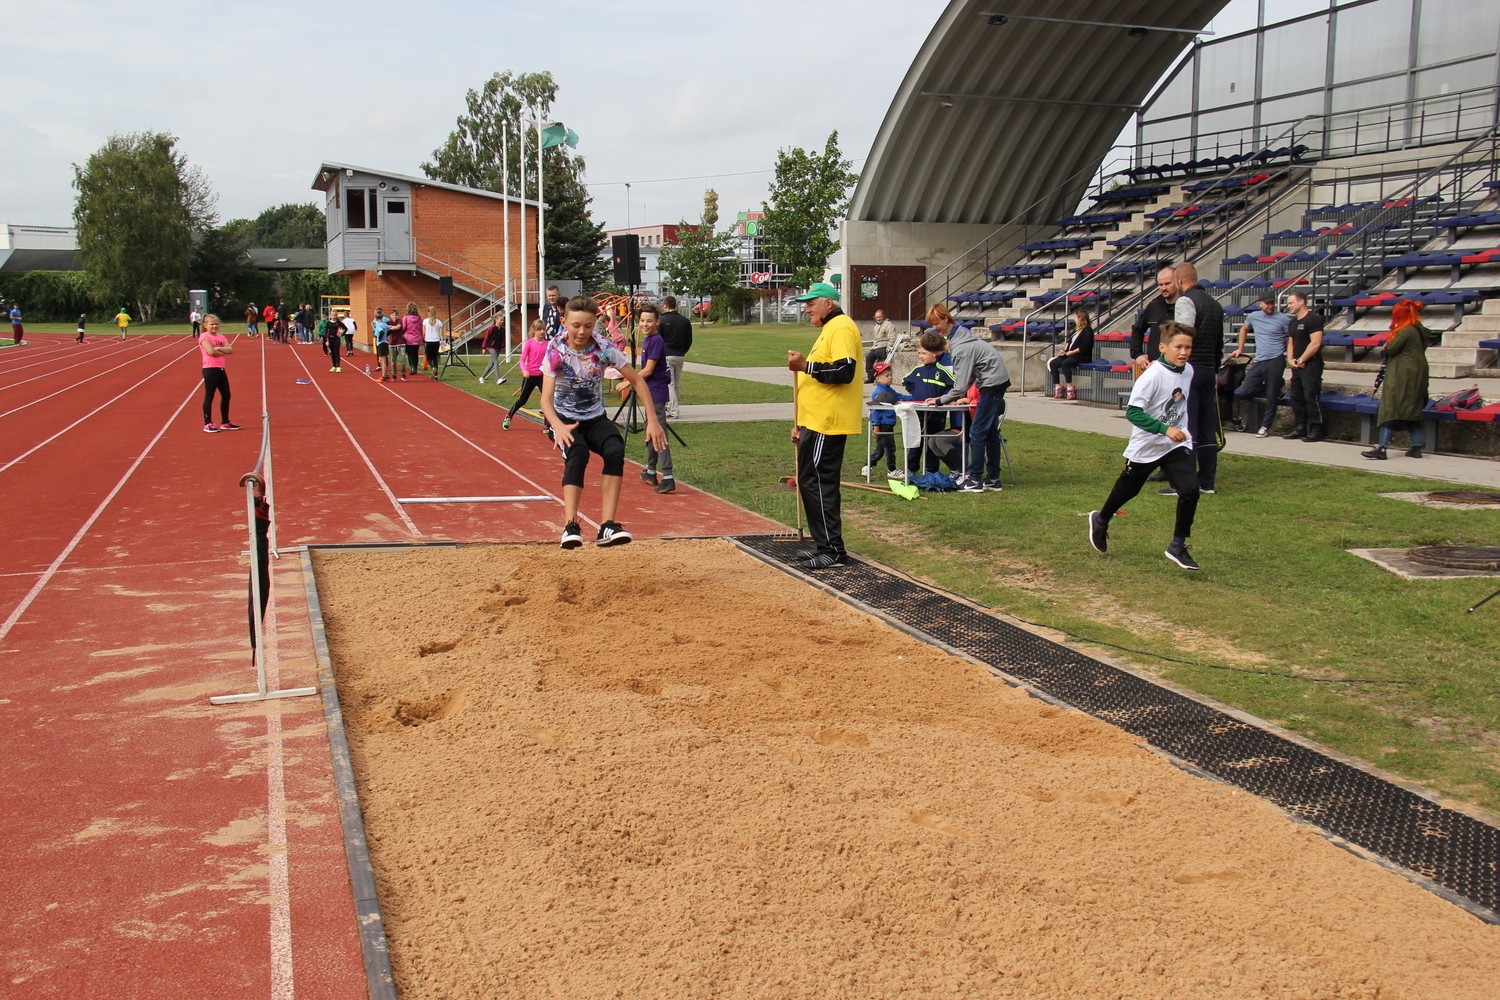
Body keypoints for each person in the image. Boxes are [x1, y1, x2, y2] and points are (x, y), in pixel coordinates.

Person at [541, 296, 666, 548]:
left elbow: (638, 381)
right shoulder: (555, 350)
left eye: (587, 326)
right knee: (578, 453)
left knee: (615, 449)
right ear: (565, 322)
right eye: (575, 325)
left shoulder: (604, 347)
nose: (581, 332)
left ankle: (607, 526)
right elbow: (545, 399)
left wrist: (653, 421)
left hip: (595, 416)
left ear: (595, 322)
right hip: (564, 418)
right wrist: (557, 425)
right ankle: (570, 526)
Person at [1088, 322, 1202, 571]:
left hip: (1175, 445)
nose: (1184, 352)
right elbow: (1133, 413)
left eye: (1188, 347)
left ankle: (1178, 545)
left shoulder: (1188, 371)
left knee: (1190, 489)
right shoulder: (1152, 375)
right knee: (1128, 490)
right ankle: (1102, 518)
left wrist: (1177, 430)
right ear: (1163, 347)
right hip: (1147, 445)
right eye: (1178, 347)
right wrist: (1165, 429)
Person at [786, 282, 862, 570]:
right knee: (810, 481)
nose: (807, 308)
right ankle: (824, 545)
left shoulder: (841, 327)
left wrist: (806, 366)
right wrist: (801, 423)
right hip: (816, 421)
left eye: (811, 303)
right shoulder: (829, 329)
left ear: (828, 303)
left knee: (818, 482)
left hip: (829, 422)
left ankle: (833, 550)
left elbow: (844, 371)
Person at [930, 303, 1010, 493]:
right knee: (989, 432)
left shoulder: (960, 347)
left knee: (977, 432)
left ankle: (974, 479)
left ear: (947, 319)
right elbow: (969, 378)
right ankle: (993, 478)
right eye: (932, 325)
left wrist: (941, 400)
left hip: (992, 384)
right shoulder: (961, 338)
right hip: (995, 382)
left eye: (937, 323)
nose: (935, 328)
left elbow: (961, 385)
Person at [1168, 262, 1224, 495]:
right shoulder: (1215, 305)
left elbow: (1183, 337)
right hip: (1209, 368)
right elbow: (1219, 342)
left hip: (1190, 370)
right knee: (1207, 427)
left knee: (1185, 425)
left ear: (1180, 281)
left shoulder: (1185, 301)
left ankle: (1185, 482)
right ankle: (1207, 482)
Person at [1362, 299, 1432, 460]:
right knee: (1412, 411)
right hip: (1416, 375)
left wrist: (1388, 344)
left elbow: (1391, 349)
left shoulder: (1406, 331)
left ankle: (1382, 447)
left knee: (1390, 409)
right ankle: (1416, 447)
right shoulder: (1418, 331)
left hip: (1402, 375)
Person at [1229, 295, 1292, 438]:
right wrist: (1240, 348)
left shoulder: (1282, 318)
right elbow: (1244, 330)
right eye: (1267, 303)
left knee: (1271, 396)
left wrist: (1289, 353)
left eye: (1272, 303)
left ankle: (1265, 426)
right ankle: (1279, 386)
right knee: (1245, 390)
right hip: (1259, 359)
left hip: (1275, 359)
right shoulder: (1253, 316)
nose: (1270, 306)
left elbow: (1291, 337)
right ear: (1260, 304)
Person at [902, 330, 961, 479]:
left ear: (934, 353)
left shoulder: (942, 371)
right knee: (916, 442)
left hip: (936, 416)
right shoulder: (917, 370)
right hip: (919, 415)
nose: (920, 356)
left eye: (923, 353)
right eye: (919, 353)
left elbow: (954, 386)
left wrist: (943, 397)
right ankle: (911, 469)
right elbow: (906, 381)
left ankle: (931, 470)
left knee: (931, 443)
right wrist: (916, 393)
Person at [632, 304, 676, 494]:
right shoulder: (649, 340)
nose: (645, 324)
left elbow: (649, 370)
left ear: (657, 321)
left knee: (658, 433)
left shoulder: (656, 340)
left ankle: (668, 476)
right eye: (642, 320)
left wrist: (628, 381)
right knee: (650, 432)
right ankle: (651, 471)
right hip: (649, 391)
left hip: (656, 391)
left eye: (649, 320)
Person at [1284, 290, 1326, 442]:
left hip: (1311, 365)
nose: (1288, 306)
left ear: (1301, 302)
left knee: (1311, 395)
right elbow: (1291, 342)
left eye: (1291, 302)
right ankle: (1300, 426)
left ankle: (1316, 428)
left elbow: (1315, 343)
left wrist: (1302, 360)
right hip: (1297, 366)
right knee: (1297, 396)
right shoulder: (1293, 322)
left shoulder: (1313, 319)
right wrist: (1290, 359)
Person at [198, 314, 241, 433]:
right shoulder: (204, 336)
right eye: (212, 324)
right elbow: (210, 351)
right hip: (210, 369)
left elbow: (231, 350)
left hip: (220, 369)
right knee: (209, 395)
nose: (215, 326)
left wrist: (218, 349)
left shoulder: (221, 337)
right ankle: (207, 423)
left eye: (216, 324)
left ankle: (225, 422)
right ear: (205, 325)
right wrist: (220, 350)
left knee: (226, 395)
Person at [1130, 266, 1178, 373]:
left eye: (1167, 283)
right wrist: (1138, 355)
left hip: (1177, 370)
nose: (1164, 288)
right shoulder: (1154, 306)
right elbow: (1137, 329)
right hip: (1154, 370)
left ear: (1177, 282)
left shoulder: (1185, 306)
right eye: (1160, 284)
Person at [503, 319, 548, 429]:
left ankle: (547, 425)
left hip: (542, 376)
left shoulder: (547, 344)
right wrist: (524, 370)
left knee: (546, 400)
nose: (542, 332)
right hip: (530, 375)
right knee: (523, 400)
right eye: (539, 329)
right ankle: (509, 415)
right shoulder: (529, 343)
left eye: (543, 329)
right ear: (534, 330)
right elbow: (522, 359)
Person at [863, 361, 902, 478]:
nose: (890, 377)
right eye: (887, 376)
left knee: (880, 450)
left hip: (889, 424)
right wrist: (876, 426)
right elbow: (875, 410)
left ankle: (868, 465)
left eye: (891, 375)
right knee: (890, 448)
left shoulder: (889, 390)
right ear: (878, 378)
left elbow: (899, 397)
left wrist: (915, 398)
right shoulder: (878, 393)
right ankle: (892, 470)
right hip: (883, 425)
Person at [1047, 306, 1095, 400]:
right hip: (1070, 353)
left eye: (1076, 318)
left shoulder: (1088, 331)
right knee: (1053, 363)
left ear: (1081, 319)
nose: (1075, 320)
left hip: (1081, 355)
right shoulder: (1076, 330)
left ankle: (1070, 387)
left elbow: (1083, 347)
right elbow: (1069, 342)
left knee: (1065, 363)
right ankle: (1058, 385)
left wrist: (1070, 353)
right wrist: (1064, 351)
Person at [658, 295, 693, 418]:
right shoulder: (685, 320)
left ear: (666, 305)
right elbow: (689, 339)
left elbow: (658, 339)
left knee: (670, 384)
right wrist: (683, 350)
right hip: (680, 355)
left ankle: (673, 410)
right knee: (676, 383)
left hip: (667, 354)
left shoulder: (661, 320)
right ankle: (674, 406)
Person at [865, 308, 897, 382]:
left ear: (883, 316)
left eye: (879, 317)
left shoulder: (888, 325)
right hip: (876, 346)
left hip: (883, 346)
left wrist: (889, 347)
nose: (878, 319)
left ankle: (879, 375)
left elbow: (892, 338)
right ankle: (871, 377)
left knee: (879, 355)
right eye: (877, 317)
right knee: (869, 357)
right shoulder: (876, 325)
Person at [477, 317, 508, 384]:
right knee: (496, 361)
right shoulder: (492, 328)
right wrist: (484, 347)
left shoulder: (503, 329)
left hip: (498, 347)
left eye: (503, 320)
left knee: (491, 363)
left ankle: (482, 377)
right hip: (491, 346)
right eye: (501, 320)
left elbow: (502, 338)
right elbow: (487, 337)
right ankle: (498, 379)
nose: (502, 321)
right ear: (496, 320)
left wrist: (503, 346)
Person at [400, 302, 423, 380]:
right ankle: (415, 367)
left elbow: (403, 327)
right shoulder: (419, 318)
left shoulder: (406, 318)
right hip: (417, 337)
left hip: (409, 338)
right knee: (415, 353)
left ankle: (412, 366)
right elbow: (421, 328)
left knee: (410, 354)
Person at [373, 308, 390, 377]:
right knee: (381, 360)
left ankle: (384, 376)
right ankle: (385, 374)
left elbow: (381, 332)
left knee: (382, 360)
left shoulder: (378, 325)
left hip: (381, 343)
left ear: (376, 318)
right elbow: (390, 330)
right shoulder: (385, 324)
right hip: (385, 342)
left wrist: (379, 338)